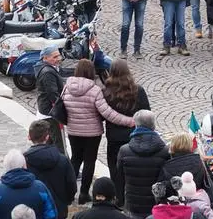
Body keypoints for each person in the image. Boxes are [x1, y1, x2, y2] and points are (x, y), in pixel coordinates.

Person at [64, 59, 136, 202]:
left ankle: (69, 193)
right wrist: (130, 121)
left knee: (75, 159)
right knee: (89, 161)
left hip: (73, 130)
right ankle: (84, 193)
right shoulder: (95, 90)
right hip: (92, 133)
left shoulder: (66, 88)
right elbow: (108, 113)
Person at [116, 109, 169, 219]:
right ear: (153, 126)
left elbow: (119, 178)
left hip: (134, 205)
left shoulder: (124, 150)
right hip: (157, 206)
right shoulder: (164, 150)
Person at [103, 60, 150, 204]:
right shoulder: (138, 90)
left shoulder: (106, 92)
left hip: (114, 136)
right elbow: (146, 112)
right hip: (134, 135)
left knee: (114, 167)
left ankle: (119, 198)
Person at [23, 120, 76, 219]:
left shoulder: (24, 161)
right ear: (47, 137)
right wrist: (66, 201)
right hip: (58, 211)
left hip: (33, 213)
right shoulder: (62, 160)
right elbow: (71, 186)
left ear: (29, 137)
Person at [35, 46, 66, 151]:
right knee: (58, 143)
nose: (58, 58)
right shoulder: (48, 72)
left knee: (50, 141)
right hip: (50, 112)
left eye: (59, 55)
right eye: (55, 57)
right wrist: (61, 111)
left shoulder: (47, 69)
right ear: (45, 58)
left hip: (47, 110)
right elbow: (53, 94)